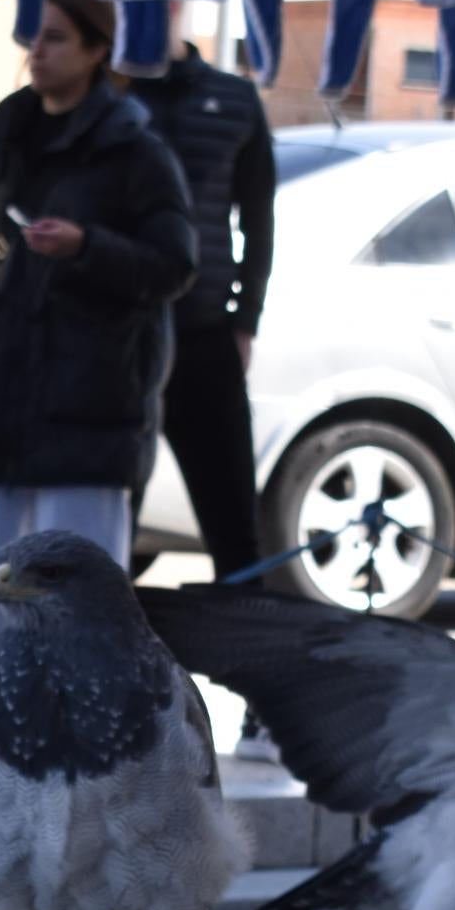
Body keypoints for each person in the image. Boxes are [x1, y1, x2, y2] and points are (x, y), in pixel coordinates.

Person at [0, 0, 196, 673]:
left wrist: (88, 245)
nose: (37, 51)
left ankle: (85, 744)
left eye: (57, 38)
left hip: (90, 404)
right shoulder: (4, 140)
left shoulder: (136, 152)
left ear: (96, 52)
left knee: (82, 601)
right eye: (35, 37)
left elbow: (176, 264)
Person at [130, 39, 277, 755]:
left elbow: (259, 217)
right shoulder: (110, 95)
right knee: (106, 531)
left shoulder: (234, 99)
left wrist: (245, 318)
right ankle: (110, 695)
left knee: (235, 533)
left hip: (203, 335)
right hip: (122, 337)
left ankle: (264, 700)